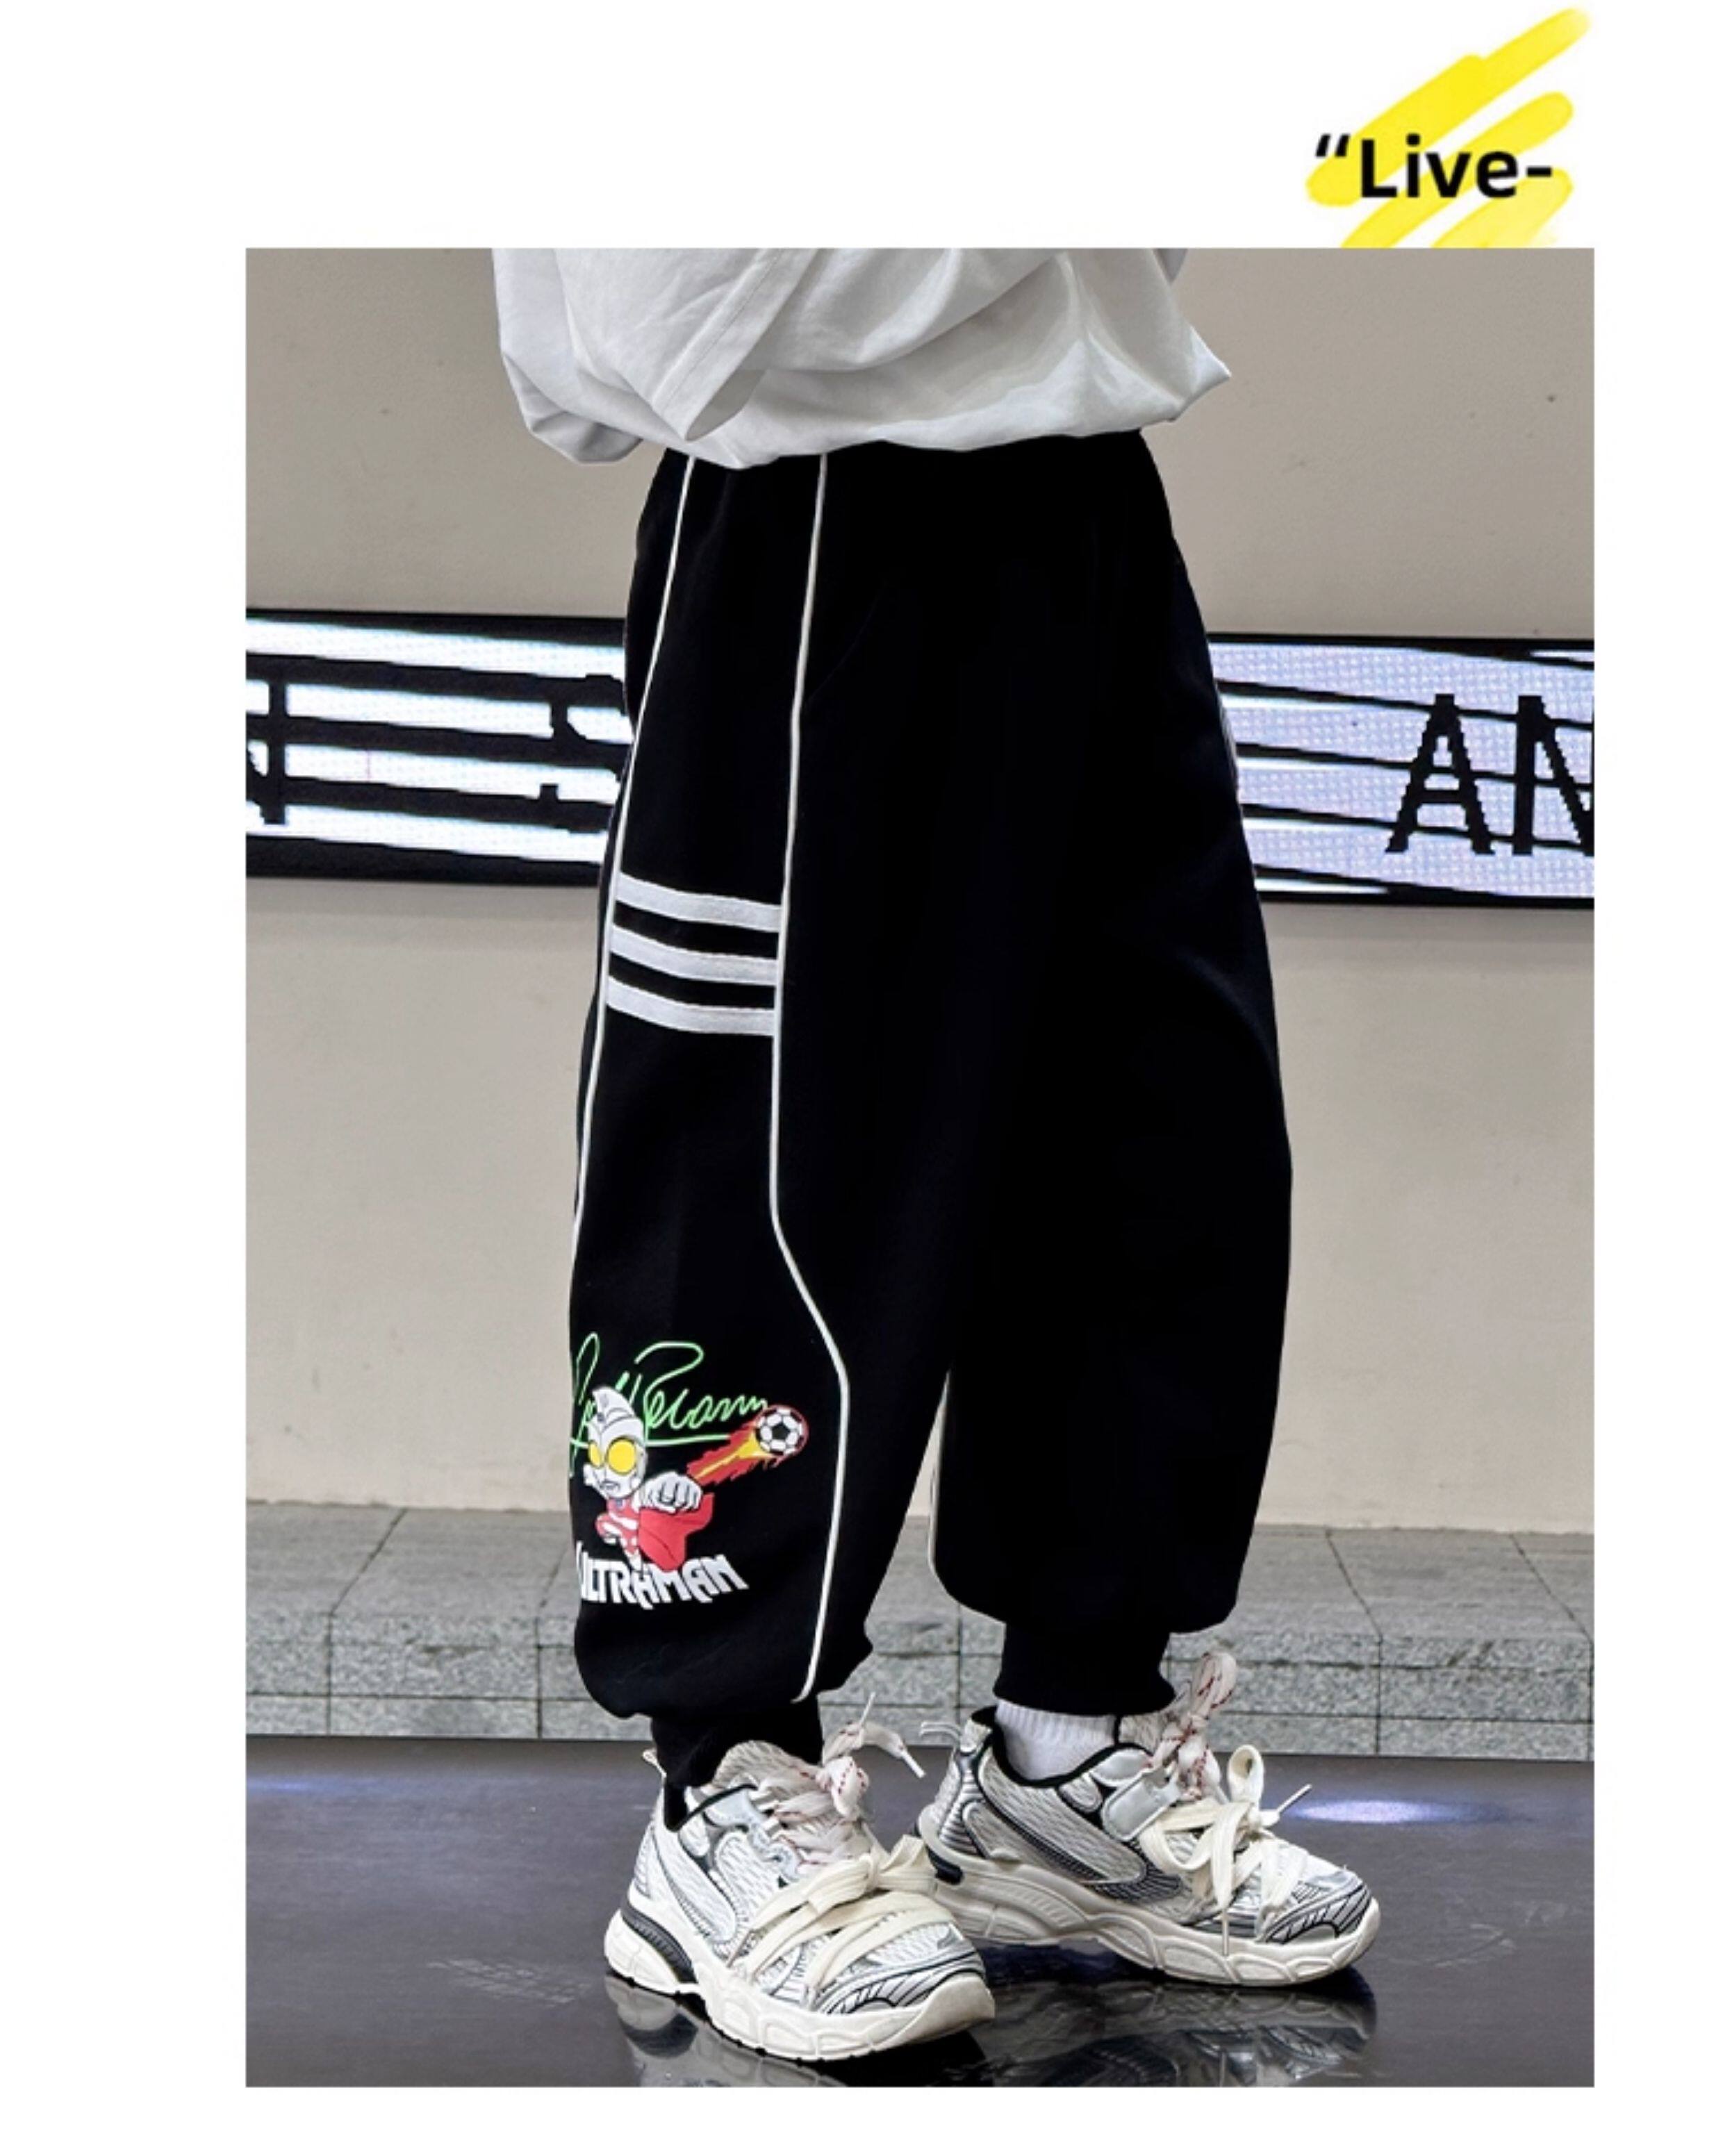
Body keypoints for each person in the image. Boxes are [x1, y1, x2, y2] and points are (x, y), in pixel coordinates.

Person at [493, 249, 1379, 2063]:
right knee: (759, 1174)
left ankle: (1067, 1766)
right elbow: (660, 323)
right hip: (814, 509)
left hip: (1085, 490)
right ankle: (720, 1783)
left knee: (1158, 1143)